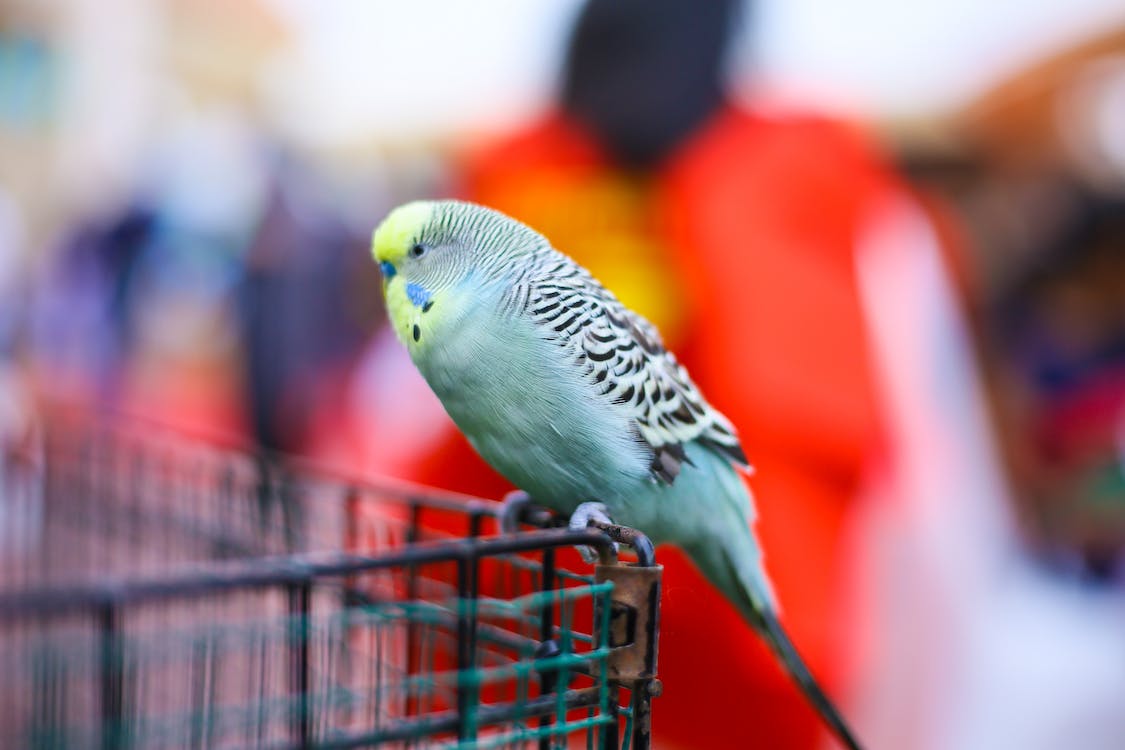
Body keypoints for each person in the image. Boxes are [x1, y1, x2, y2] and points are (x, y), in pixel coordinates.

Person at [361, 0, 928, 745]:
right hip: (649, 576)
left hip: (607, 586)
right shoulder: (797, 176)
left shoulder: (524, 173)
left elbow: (394, 399)